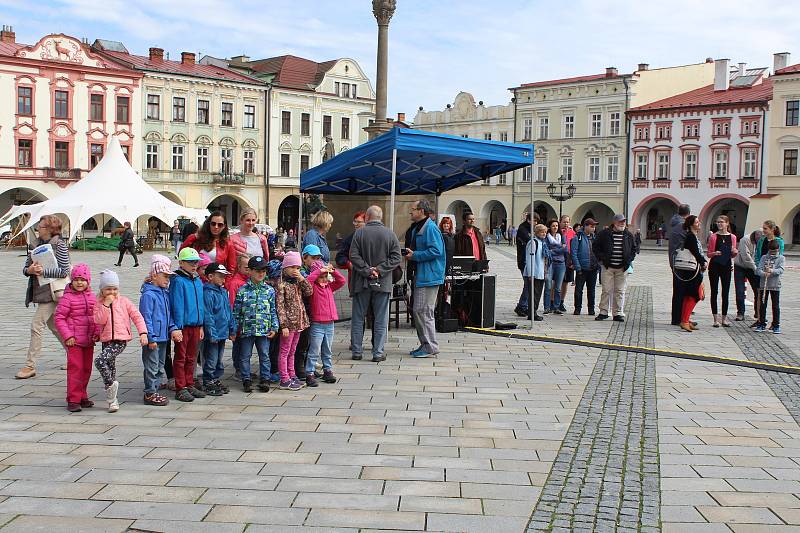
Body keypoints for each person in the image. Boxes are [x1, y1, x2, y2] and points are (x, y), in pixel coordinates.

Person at [19, 215, 71, 379]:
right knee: (54, 326)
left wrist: (44, 272)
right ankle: (74, 354)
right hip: (40, 290)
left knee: (36, 325)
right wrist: (30, 270)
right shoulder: (35, 245)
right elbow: (25, 268)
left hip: (53, 291)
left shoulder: (59, 245)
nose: (38, 229)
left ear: (50, 229)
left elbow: (64, 271)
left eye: (40, 227)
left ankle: (30, 366)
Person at [349, 205, 402, 362]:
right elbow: (396, 257)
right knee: (380, 318)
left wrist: (367, 270)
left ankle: (357, 351)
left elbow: (353, 255)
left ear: (367, 218)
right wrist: (379, 270)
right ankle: (378, 353)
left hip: (361, 282)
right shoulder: (390, 234)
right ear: (381, 217)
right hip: (383, 282)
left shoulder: (359, 234)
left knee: (358, 318)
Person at [93, 269, 148, 412]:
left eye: (115, 289)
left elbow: (137, 316)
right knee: (110, 368)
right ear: (102, 290)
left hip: (120, 340)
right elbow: (98, 320)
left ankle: (110, 384)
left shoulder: (124, 302)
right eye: (108, 289)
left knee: (99, 360)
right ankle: (112, 401)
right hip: (106, 339)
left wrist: (143, 333)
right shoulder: (99, 303)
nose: (112, 292)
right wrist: (105, 305)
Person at [55, 264, 100, 412]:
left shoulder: (92, 297)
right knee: (76, 369)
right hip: (74, 341)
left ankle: (82, 395)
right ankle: (73, 399)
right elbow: (59, 318)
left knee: (86, 369)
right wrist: (68, 336)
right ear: (71, 280)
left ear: (88, 281)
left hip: (88, 340)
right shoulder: (67, 298)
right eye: (76, 279)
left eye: (83, 279)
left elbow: (96, 318)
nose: (79, 283)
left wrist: (97, 332)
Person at [404, 199, 446, 358]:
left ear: (421, 211)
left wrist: (415, 255)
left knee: (423, 311)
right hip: (423, 275)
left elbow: (436, 251)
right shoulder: (420, 227)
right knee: (420, 311)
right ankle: (425, 344)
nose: (410, 212)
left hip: (429, 276)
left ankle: (430, 346)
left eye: (413, 209)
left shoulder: (430, 228)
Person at [233, 256, 279, 393]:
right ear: (250, 271)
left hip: (264, 330)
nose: (261, 274)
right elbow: (236, 312)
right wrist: (234, 329)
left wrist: (274, 327)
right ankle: (246, 379)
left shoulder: (269, 290)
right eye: (258, 271)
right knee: (245, 355)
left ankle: (265, 378)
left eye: (264, 271)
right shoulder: (243, 290)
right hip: (247, 330)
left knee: (264, 355)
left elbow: (273, 310)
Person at [139, 255, 180, 407]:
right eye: (165, 276)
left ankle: (155, 388)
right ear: (155, 276)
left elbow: (168, 315)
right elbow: (146, 318)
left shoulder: (165, 293)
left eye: (169, 277)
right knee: (152, 365)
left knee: (160, 364)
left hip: (163, 337)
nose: (168, 280)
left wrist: (173, 328)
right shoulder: (148, 295)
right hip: (154, 338)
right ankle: (149, 392)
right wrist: (150, 337)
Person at [169, 247, 207, 402]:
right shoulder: (178, 280)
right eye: (190, 262)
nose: (194, 265)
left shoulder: (197, 280)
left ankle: (190, 383)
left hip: (196, 325)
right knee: (181, 357)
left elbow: (201, 304)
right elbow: (176, 305)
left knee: (192, 356)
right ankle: (181, 386)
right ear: (181, 262)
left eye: (196, 262)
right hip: (184, 326)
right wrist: (177, 327)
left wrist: (202, 325)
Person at [275, 252, 313, 390]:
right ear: (285, 267)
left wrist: (302, 279)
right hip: (289, 324)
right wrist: (283, 325)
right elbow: (280, 306)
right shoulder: (281, 284)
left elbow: (309, 292)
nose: (295, 271)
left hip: (300, 322)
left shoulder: (298, 281)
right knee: (285, 351)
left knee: (293, 350)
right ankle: (284, 378)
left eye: (297, 267)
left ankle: (292, 375)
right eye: (292, 267)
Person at [305, 260, 346, 386]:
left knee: (327, 349)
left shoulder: (329, 286)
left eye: (325, 277)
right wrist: (319, 271)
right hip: (317, 323)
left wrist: (332, 271)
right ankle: (309, 373)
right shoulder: (312, 288)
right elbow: (308, 281)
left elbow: (342, 281)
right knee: (314, 350)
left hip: (330, 323)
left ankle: (327, 370)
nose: (323, 279)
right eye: (320, 277)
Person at [593, 214, 636, 322]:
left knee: (620, 291)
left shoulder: (628, 235)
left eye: (624, 222)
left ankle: (617, 313)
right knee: (606, 290)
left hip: (622, 267)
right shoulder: (605, 233)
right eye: (620, 222)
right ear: (614, 222)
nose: (622, 223)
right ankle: (603, 311)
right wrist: (601, 258)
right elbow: (596, 246)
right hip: (608, 267)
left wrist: (629, 260)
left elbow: (634, 249)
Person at [202, 262, 236, 396]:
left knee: (218, 359)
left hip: (222, 332)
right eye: (220, 276)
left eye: (224, 276)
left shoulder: (222, 291)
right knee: (211, 359)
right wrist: (212, 333)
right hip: (214, 334)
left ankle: (215, 379)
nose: (223, 279)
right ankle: (208, 381)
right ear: (210, 276)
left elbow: (228, 311)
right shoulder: (208, 293)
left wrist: (232, 329)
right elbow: (208, 315)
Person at [677, 215, 708, 332]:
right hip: (691, 270)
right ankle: (684, 321)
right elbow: (695, 252)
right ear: (691, 224)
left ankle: (685, 319)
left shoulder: (693, 236)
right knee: (695, 295)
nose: (699, 223)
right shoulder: (690, 236)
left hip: (693, 269)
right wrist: (703, 262)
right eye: (696, 222)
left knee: (689, 295)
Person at [707, 215, 738, 327]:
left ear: (727, 223)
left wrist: (735, 251)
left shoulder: (733, 237)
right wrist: (715, 253)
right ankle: (715, 319)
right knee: (714, 291)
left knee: (725, 292)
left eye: (721, 222)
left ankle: (724, 318)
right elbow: (709, 253)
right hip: (715, 265)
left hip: (726, 266)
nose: (719, 224)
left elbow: (733, 254)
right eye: (718, 222)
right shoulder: (713, 237)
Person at [227, 254, 251, 380]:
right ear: (239, 267)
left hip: (248, 321)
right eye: (246, 267)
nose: (248, 270)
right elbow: (232, 304)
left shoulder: (248, 281)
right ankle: (238, 369)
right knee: (239, 347)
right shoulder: (235, 283)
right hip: (239, 321)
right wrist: (234, 324)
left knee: (245, 348)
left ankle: (244, 369)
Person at [755, 239, 784, 334]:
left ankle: (776, 325)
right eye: (771, 252)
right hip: (764, 285)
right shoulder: (764, 257)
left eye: (775, 252)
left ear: (778, 249)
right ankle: (761, 323)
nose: (773, 254)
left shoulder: (781, 258)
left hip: (775, 285)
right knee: (763, 305)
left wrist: (772, 271)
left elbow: (781, 270)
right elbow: (758, 270)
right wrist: (764, 273)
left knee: (775, 306)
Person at [523, 224, 552, 321]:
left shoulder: (542, 243)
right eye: (542, 232)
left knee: (538, 294)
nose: (544, 234)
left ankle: (534, 311)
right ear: (536, 232)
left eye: (545, 232)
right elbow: (530, 258)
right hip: (534, 273)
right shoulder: (533, 242)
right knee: (533, 294)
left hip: (541, 272)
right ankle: (532, 313)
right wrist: (531, 273)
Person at [570, 218, 599, 316]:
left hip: (593, 268)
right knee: (579, 290)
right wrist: (578, 267)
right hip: (582, 268)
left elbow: (598, 252)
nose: (593, 228)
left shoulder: (594, 237)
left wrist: (598, 265)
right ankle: (577, 309)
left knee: (591, 290)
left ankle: (591, 309)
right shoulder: (577, 237)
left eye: (594, 227)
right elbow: (573, 253)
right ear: (585, 226)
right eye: (591, 226)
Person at [669, 204, 691, 325]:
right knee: (682, 291)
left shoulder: (675, 224)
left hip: (675, 260)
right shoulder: (682, 226)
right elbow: (689, 244)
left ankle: (678, 318)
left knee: (678, 291)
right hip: (683, 262)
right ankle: (680, 318)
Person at [733, 230, 761, 321]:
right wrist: (755, 268)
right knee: (740, 290)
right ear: (755, 236)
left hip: (754, 267)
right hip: (741, 266)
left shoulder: (763, 240)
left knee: (757, 290)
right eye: (758, 238)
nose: (759, 240)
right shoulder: (745, 240)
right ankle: (740, 313)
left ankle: (758, 312)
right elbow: (746, 256)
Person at [544, 220, 567, 314]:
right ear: (550, 227)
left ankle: (556, 307)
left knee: (558, 287)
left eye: (557, 226)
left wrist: (554, 249)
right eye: (553, 226)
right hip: (550, 263)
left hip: (561, 263)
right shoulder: (547, 237)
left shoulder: (561, 236)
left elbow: (565, 250)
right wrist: (559, 248)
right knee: (548, 286)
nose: (555, 227)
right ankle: (547, 307)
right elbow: (547, 251)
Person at [514, 213, 532, 317]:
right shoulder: (522, 229)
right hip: (524, 261)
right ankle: (521, 306)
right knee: (528, 284)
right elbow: (530, 240)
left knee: (529, 285)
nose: (535, 223)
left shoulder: (531, 229)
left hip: (529, 261)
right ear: (528, 220)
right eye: (533, 220)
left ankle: (523, 306)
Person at [559, 215, 576, 313]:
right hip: (559, 258)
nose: (566, 224)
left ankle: (561, 301)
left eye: (567, 222)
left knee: (565, 282)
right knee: (556, 282)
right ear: (560, 222)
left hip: (569, 259)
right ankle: (553, 301)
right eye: (564, 222)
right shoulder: (558, 232)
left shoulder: (572, 233)